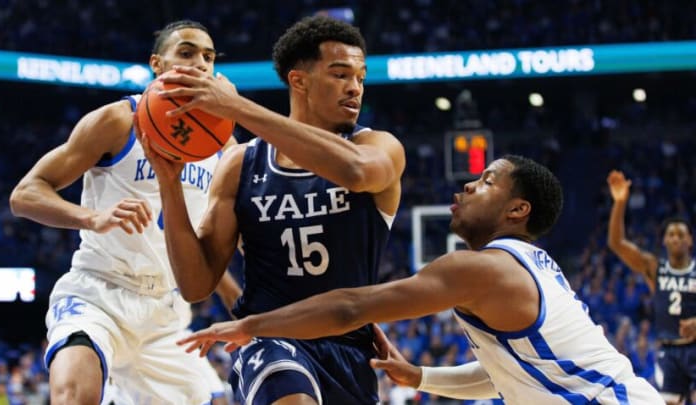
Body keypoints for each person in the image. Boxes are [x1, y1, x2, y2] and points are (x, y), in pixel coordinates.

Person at [178, 156, 664, 404]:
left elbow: (351, 307)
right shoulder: (532, 267)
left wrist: (254, 325)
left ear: (518, 211)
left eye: (488, 181)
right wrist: (420, 377)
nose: (468, 185)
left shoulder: (482, 269)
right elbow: (501, 376)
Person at [141, 15, 405, 405]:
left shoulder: (379, 147)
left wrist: (239, 108)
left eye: (360, 78)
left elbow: (356, 172)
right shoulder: (240, 165)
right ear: (298, 80)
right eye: (340, 75)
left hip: (350, 350)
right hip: (268, 342)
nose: (355, 88)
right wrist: (169, 183)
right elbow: (196, 285)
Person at [9, 20, 240, 405]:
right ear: (157, 64)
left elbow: (210, 241)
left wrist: (241, 307)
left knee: (217, 399)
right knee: (74, 394)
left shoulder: (224, 146)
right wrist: (90, 217)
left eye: (208, 57)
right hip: (100, 291)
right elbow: (25, 193)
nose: (200, 63)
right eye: (186, 53)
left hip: (165, 312)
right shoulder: (118, 120)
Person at [607, 170, 696, 405]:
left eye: (681, 234)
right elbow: (617, 244)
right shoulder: (654, 268)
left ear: (690, 240)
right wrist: (619, 203)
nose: (676, 238)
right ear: (664, 240)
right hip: (669, 351)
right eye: (671, 234)